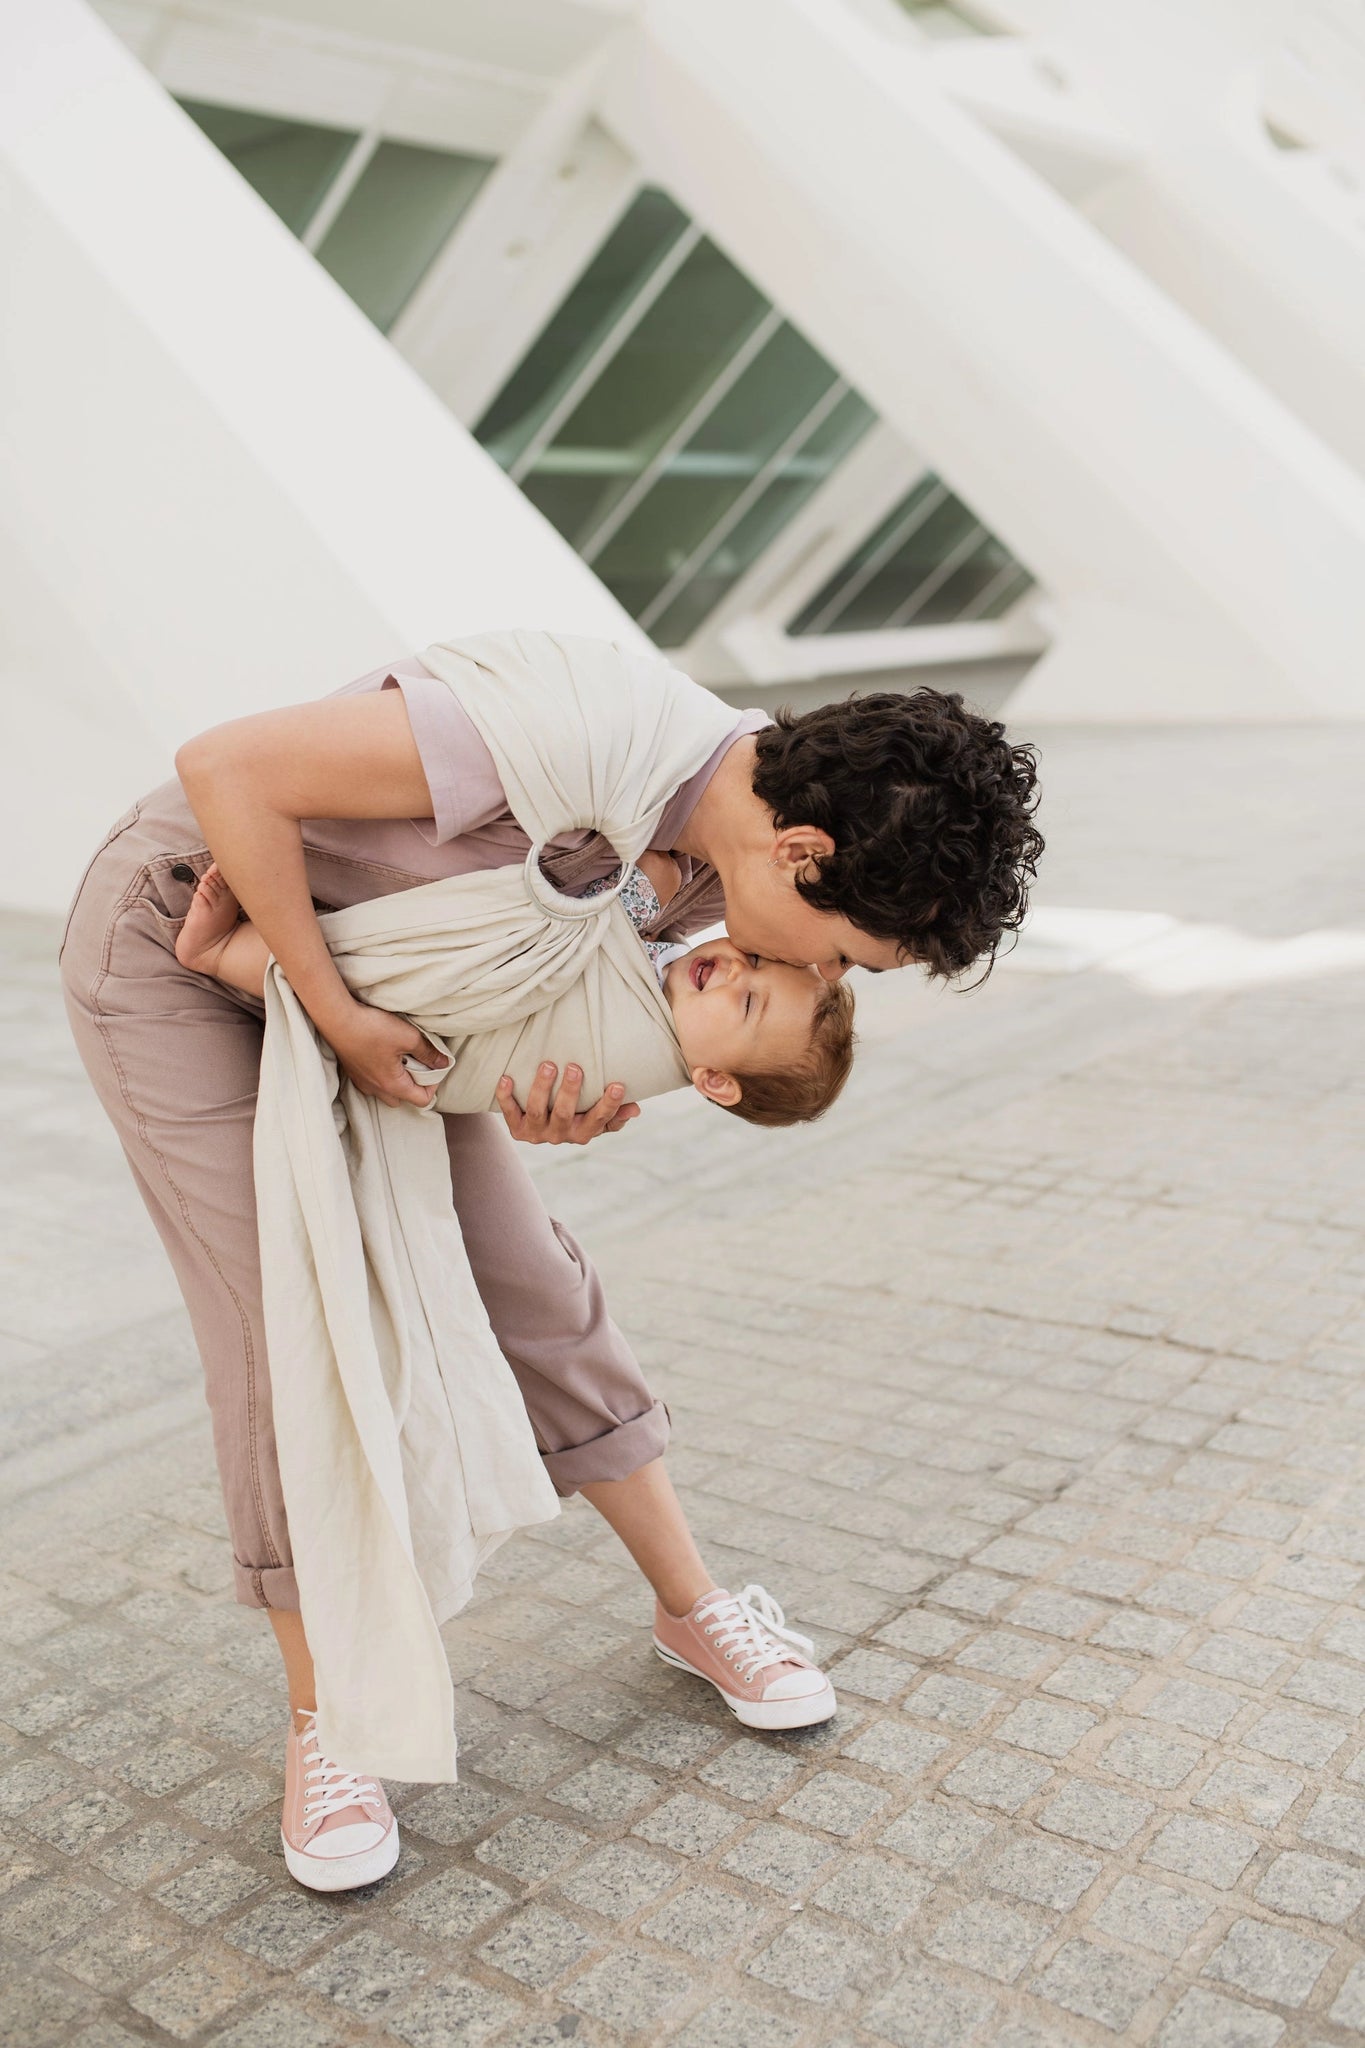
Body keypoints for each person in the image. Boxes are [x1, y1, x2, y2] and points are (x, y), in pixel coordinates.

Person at [60, 635, 1042, 1892]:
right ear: (804, 853)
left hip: (394, 995)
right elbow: (224, 767)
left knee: (532, 1282)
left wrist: (533, 1094)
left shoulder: (720, 882)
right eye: (847, 950)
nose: (820, 974)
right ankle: (336, 1713)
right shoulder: (593, 734)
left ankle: (693, 1606)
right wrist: (330, 1007)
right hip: (186, 941)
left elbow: (534, 996)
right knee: (285, 1320)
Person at [174, 855, 857, 1127]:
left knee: (390, 975)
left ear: (712, 1081)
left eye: (746, 1003)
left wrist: (653, 880)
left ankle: (218, 951)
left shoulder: (637, 1048)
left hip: (435, 1039)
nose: (733, 971)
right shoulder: (676, 990)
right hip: (437, 1025)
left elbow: (588, 926)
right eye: (755, 960)